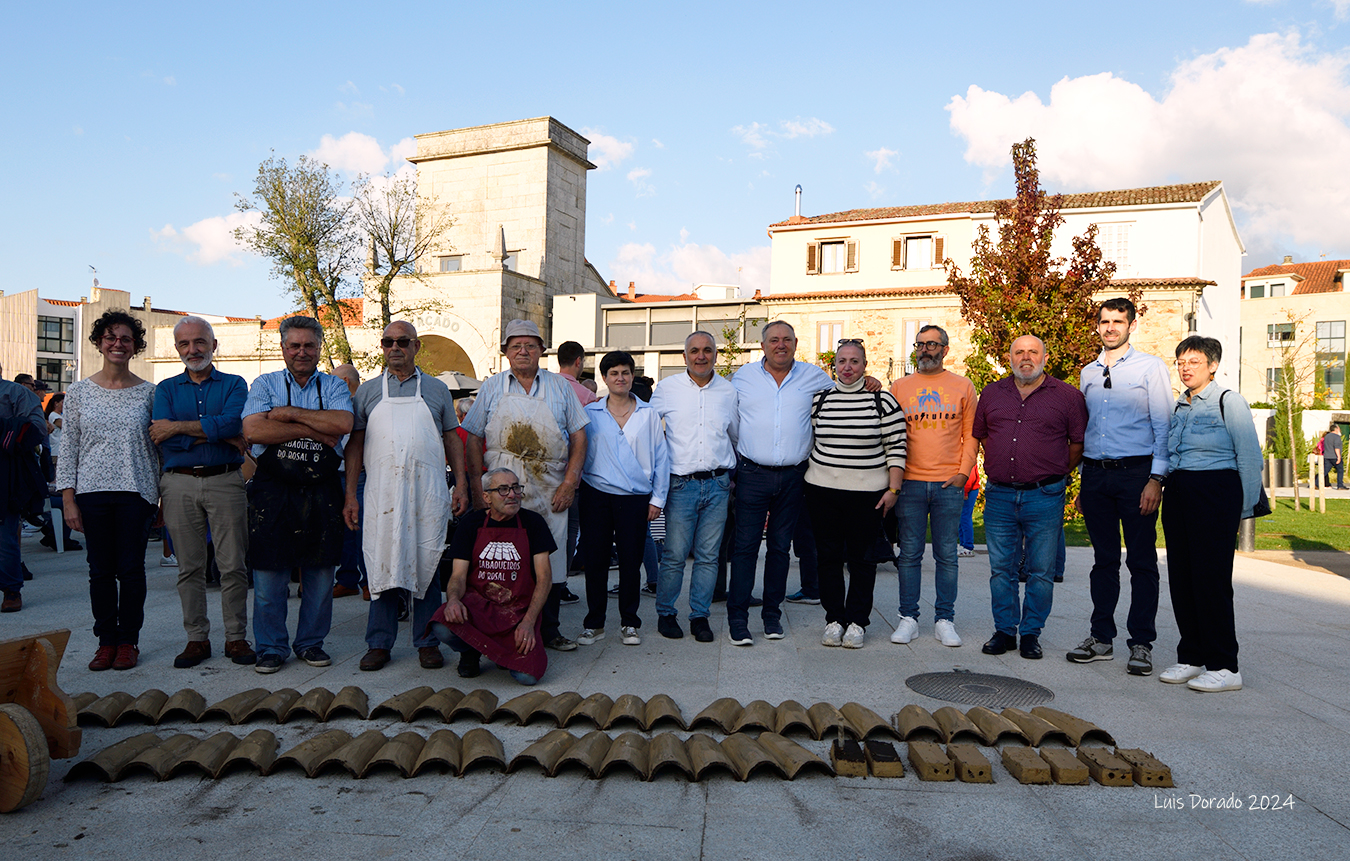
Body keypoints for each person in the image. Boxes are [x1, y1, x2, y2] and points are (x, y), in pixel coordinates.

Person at [727, 321, 879, 646]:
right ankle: (738, 619)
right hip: (753, 474)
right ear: (763, 345)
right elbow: (733, 423)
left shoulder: (814, 377)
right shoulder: (742, 377)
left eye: (786, 339)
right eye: (773, 340)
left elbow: (845, 388)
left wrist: (871, 381)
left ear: (796, 343)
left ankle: (771, 616)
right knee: (745, 548)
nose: (780, 345)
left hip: (794, 476)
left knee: (780, 549)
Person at [346, 321, 469, 672]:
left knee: (426, 560)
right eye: (388, 342)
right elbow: (355, 446)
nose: (395, 348)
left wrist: (461, 484)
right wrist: (350, 494)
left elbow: (451, 439)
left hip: (426, 491)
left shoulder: (437, 390)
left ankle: (427, 641)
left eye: (402, 341)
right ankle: (379, 643)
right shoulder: (368, 392)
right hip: (381, 493)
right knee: (381, 563)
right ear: (382, 347)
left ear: (416, 346)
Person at [461, 319, 589, 652]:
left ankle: (550, 630)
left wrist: (570, 482)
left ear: (541, 351)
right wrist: (478, 488)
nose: (523, 351)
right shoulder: (491, 387)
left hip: (549, 488)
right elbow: (473, 438)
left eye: (530, 345)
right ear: (505, 352)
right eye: (516, 346)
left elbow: (579, 436)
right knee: (505, 559)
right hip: (502, 489)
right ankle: (502, 628)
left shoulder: (560, 387)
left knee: (551, 559)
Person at [1066, 298, 1172, 676]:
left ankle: (1141, 642)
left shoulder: (1150, 368)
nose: (1110, 327)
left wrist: (1156, 479)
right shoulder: (1088, 373)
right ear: (1097, 326)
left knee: (1141, 561)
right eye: (1105, 321)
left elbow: (1164, 426)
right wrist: (1083, 480)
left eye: (1118, 321)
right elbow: (1087, 428)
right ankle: (1101, 638)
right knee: (1104, 561)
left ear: (1132, 325)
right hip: (1096, 476)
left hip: (1137, 475)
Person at [241, 316, 353, 674]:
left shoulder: (333, 385)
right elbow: (253, 430)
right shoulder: (264, 383)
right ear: (283, 348)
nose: (301, 352)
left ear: (319, 348)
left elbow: (342, 424)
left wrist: (288, 415)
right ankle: (271, 647)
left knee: (320, 576)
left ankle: (310, 643)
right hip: (272, 491)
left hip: (322, 489)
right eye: (295, 345)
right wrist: (316, 430)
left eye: (309, 345)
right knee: (269, 576)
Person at [972, 335, 1087, 660]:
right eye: (1019, 352)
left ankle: (1031, 633)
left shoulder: (1068, 396)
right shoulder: (992, 393)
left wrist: (1052, 470)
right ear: (1009, 358)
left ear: (1045, 358)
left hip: (1044, 495)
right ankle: (1005, 631)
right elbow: (982, 436)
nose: (1026, 357)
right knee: (1001, 569)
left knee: (1041, 570)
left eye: (1033, 352)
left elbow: (1077, 444)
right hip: (1000, 496)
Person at [56, 310, 159, 670]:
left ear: (135, 346)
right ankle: (105, 642)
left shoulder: (150, 394)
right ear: (99, 343)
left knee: (131, 570)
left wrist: (162, 496)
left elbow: (158, 448)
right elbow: (69, 446)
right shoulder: (79, 393)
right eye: (111, 337)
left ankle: (128, 641)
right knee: (99, 571)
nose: (118, 344)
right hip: (92, 493)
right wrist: (68, 498)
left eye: (126, 338)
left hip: (137, 491)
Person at [1159, 336, 1262, 692]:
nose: (1186, 368)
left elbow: (1249, 457)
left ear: (1213, 365)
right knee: (1182, 578)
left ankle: (1224, 665)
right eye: (1181, 362)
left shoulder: (1228, 402)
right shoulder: (1180, 406)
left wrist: (1242, 512)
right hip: (1179, 490)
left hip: (1216, 492)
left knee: (1211, 581)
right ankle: (1192, 656)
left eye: (1194, 362)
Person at [150, 316, 254, 668]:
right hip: (178, 482)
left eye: (199, 342)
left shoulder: (235, 384)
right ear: (177, 348)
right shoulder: (165, 389)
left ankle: (236, 637)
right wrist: (217, 434)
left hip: (225, 480)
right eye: (184, 343)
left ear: (213, 345)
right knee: (189, 567)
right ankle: (196, 639)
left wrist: (179, 428)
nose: (192, 349)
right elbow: (161, 435)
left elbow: (234, 423)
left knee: (233, 565)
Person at [806, 340, 906, 650]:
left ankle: (857, 621)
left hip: (867, 495)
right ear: (834, 364)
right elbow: (812, 440)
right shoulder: (820, 400)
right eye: (842, 361)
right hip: (822, 492)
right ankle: (834, 619)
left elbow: (897, 447)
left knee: (863, 560)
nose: (847, 367)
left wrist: (893, 489)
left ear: (864, 365)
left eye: (854, 361)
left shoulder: (882, 401)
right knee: (828, 558)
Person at [888, 324, 978, 648]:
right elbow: (890, 434)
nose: (924, 350)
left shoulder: (963, 386)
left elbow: (972, 435)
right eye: (920, 344)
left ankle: (944, 620)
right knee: (909, 554)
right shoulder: (899, 387)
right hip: (910, 482)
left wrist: (963, 473)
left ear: (945, 349)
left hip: (948, 484)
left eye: (931, 344)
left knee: (947, 556)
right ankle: (908, 618)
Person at [575, 350, 669, 647]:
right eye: (614, 373)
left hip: (635, 497)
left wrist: (657, 499)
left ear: (632, 376)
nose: (620, 378)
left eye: (625, 372)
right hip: (596, 495)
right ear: (604, 378)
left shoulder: (648, 414)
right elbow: (578, 452)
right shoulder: (591, 413)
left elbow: (661, 458)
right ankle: (594, 623)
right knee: (596, 562)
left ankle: (630, 622)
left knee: (631, 561)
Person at [429, 467, 554, 685]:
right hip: (478, 607)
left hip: (516, 612)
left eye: (516, 488)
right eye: (503, 489)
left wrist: (529, 622)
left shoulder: (533, 523)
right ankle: (470, 651)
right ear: (487, 497)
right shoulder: (471, 524)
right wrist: (454, 600)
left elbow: (544, 579)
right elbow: (458, 576)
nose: (512, 495)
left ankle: (501, 653)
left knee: (528, 677)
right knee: (443, 625)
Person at [0, 375, 46, 613]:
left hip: (5, 474)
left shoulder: (16, 393)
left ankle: (11, 590)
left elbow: (38, 429)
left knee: (4, 535)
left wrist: (6, 429)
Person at [555, 340, 592, 596]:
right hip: (575, 478)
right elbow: (591, 438)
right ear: (579, 361)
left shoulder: (545, 386)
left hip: (543, 473)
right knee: (569, 531)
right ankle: (560, 583)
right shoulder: (586, 396)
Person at [331, 363, 368, 600]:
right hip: (339, 473)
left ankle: (367, 580)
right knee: (345, 529)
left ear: (344, 382)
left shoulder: (361, 406)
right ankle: (347, 579)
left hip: (359, 473)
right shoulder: (339, 406)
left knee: (361, 527)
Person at [1325, 423, 1345, 490]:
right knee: (1340, 470)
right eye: (1338, 428)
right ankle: (1340, 485)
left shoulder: (1326, 436)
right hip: (1334, 456)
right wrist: (1339, 457)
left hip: (1327, 456)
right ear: (1336, 429)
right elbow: (1337, 448)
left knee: (1325, 471)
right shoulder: (1337, 437)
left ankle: (1316, 483)